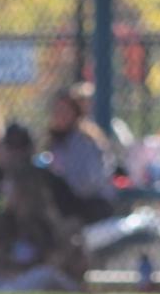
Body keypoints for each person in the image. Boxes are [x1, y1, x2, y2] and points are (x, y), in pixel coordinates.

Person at [0, 124, 90, 291]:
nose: (15, 155)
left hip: (32, 277)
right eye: (10, 148)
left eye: (20, 148)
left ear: (31, 150)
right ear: (1, 149)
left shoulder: (48, 185)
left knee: (46, 276)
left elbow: (71, 234)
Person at [41, 87, 117, 223]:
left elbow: (89, 182)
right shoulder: (55, 141)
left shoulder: (85, 139)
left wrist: (63, 182)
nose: (60, 115)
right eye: (57, 111)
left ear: (75, 112)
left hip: (93, 203)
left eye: (65, 110)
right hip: (70, 203)